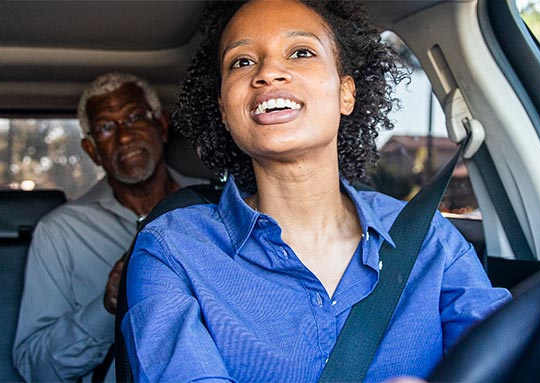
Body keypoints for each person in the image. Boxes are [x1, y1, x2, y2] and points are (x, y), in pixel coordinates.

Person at [121, 1, 510, 382]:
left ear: (346, 93)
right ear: (224, 108)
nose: (269, 73)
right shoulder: (171, 249)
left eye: (301, 52)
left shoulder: (428, 238)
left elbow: (513, 360)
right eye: (241, 62)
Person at [13, 72, 199, 382]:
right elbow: (36, 367)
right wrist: (108, 305)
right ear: (92, 150)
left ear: (162, 126)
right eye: (106, 127)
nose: (125, 136)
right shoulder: (60, 232)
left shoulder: (216, 206)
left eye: (135, 117)